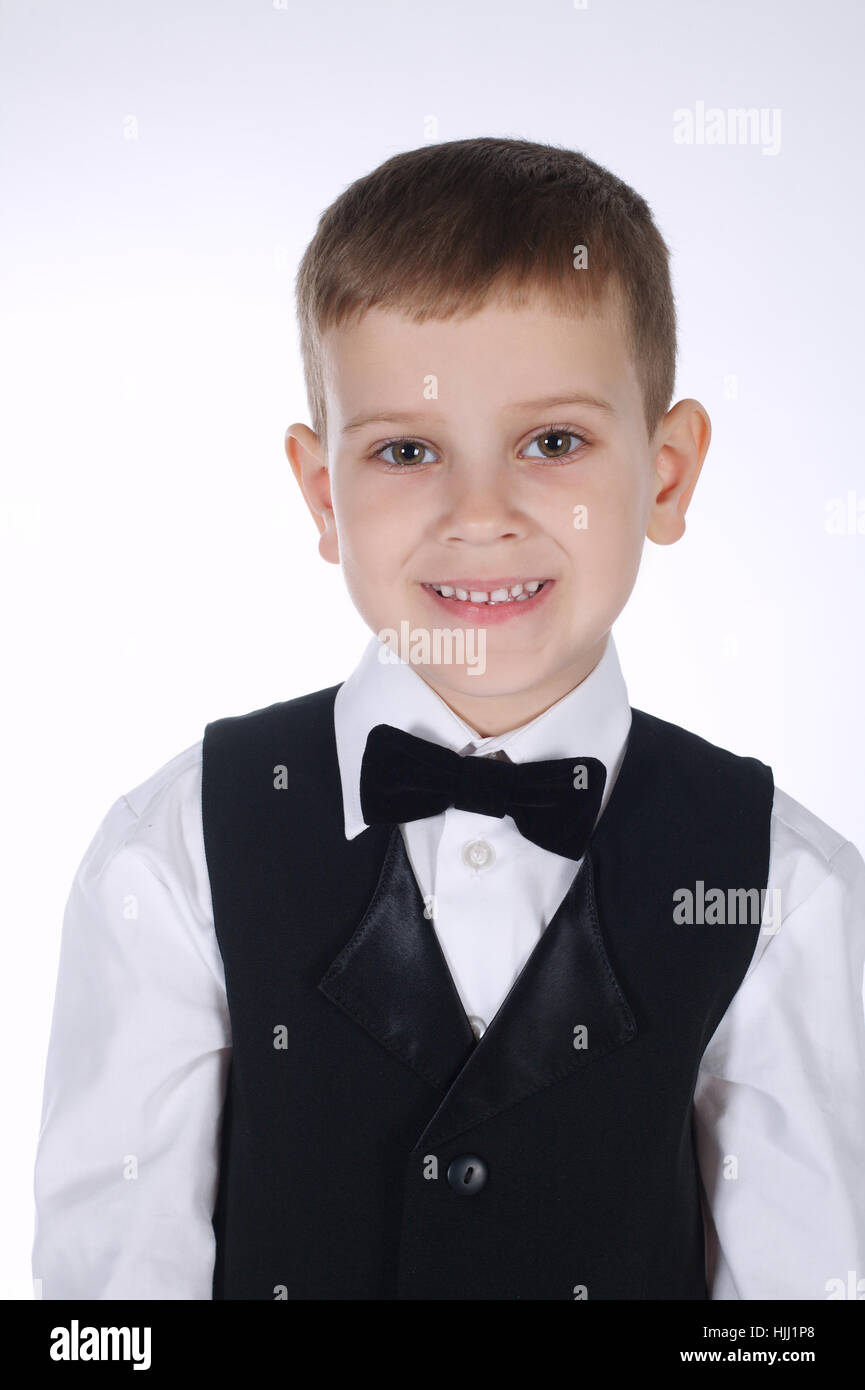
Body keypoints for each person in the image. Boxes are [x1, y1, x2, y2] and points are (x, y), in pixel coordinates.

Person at [32, 136, 865, 1300]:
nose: (481, 513)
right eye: (407, 450)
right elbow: (113, 1296)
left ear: (666, 475)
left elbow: (795, 1305)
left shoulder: (786, 887)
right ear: (323, 493)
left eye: (554, 442)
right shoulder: (172, 854)